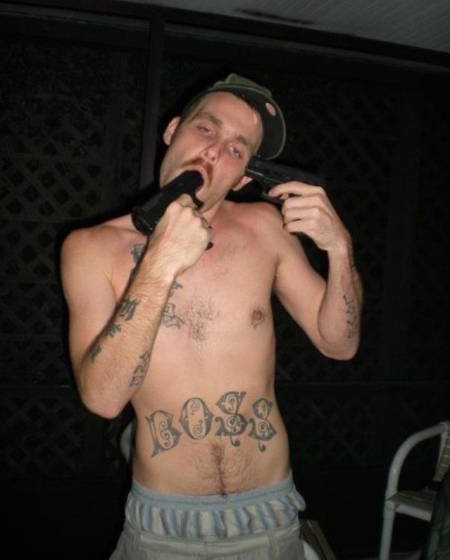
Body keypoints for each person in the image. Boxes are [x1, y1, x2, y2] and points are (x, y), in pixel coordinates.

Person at [61, 74, 363, 560]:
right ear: (173, 130)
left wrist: (340, 248)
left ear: (243, 177)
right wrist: (159, 263)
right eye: (206, 129)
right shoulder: (91, 248)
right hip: (162, 526)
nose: (214, 152)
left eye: (237, 149)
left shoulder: (265, 229)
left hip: (271, 516)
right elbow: (103, 398)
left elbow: (340, 344)